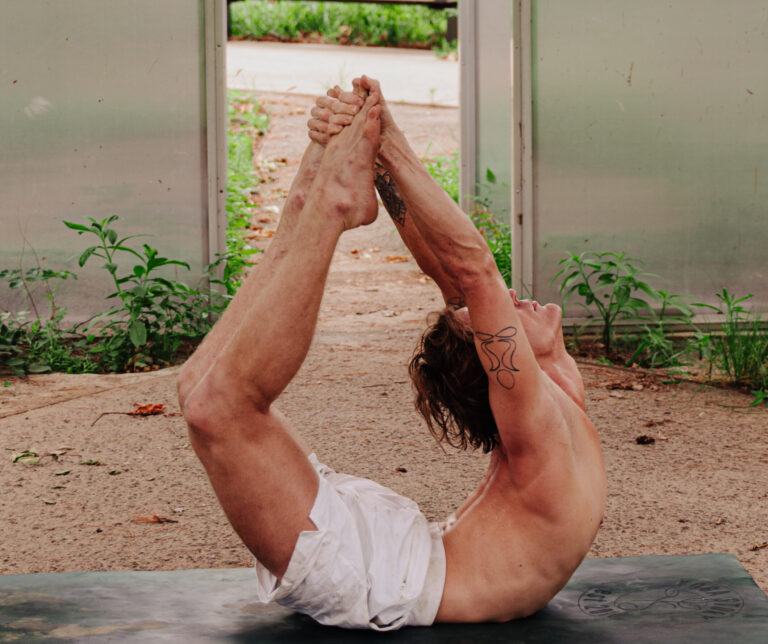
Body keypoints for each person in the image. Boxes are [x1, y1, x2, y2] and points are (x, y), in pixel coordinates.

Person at [177, 77, 605, 631]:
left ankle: (326, 206)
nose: (513, 299)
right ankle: (308, 202)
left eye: (498, 311)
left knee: (214, 407)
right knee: (198, 389)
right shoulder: (553, 401)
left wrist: (385, 134)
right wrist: (371, 144)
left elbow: (474, 270)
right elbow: (454, 268)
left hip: (373, 575)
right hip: (392, 557)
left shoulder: (536, 421)